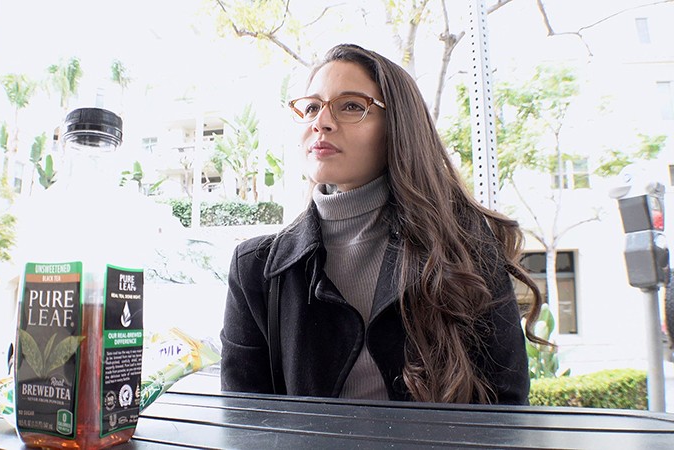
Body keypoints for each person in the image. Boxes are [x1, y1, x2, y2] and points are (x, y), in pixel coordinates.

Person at [220, 43, 544, 405]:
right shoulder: (255, 269)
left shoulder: (464, 246)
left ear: (398, 127)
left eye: (351, 106)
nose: (321, 122)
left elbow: (505, 406)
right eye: (311, 107)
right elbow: (245, 419)